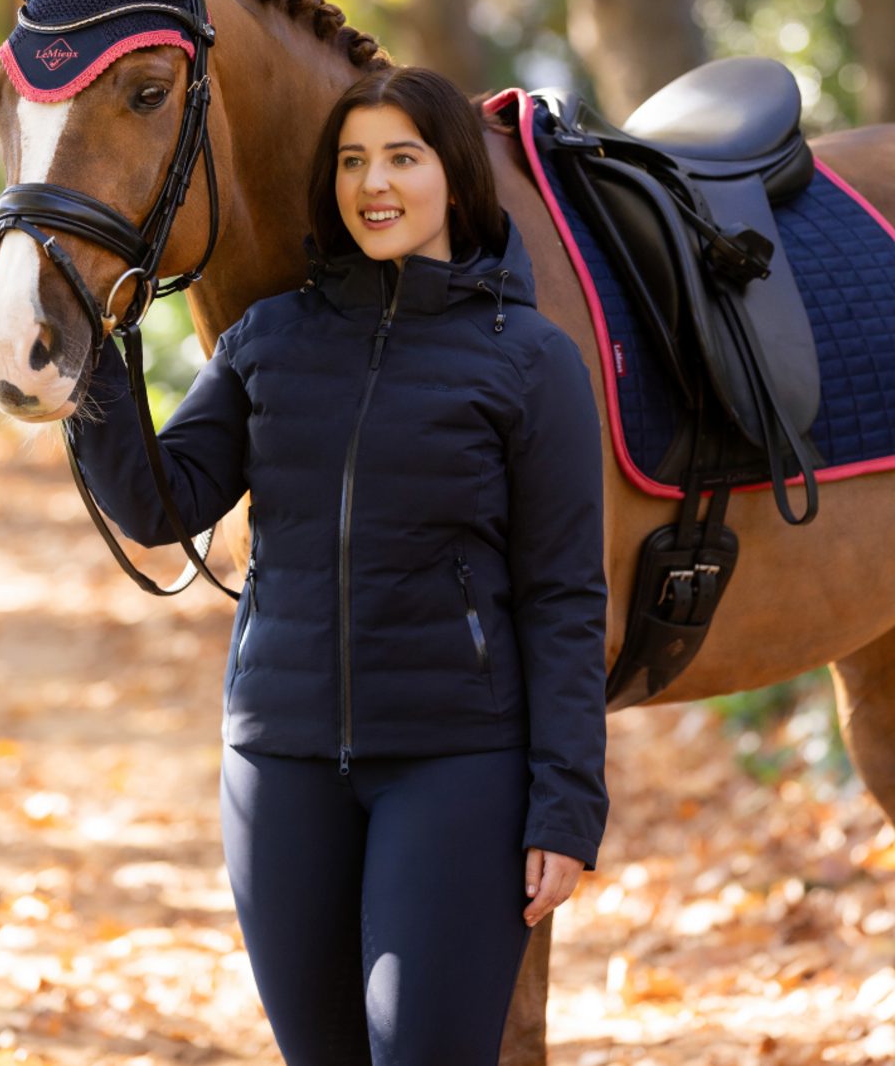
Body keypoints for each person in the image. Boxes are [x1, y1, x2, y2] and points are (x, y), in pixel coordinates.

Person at [69, 66, 609, 1066]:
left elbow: (564, 594)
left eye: (403, 157)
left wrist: (567, 800)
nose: (375, 183)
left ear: (453, 175)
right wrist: (99, 358)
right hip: (278, 764)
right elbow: (162, 501)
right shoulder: (269, 336)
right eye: (353, 160)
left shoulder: (529, 360)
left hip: (457, 764)